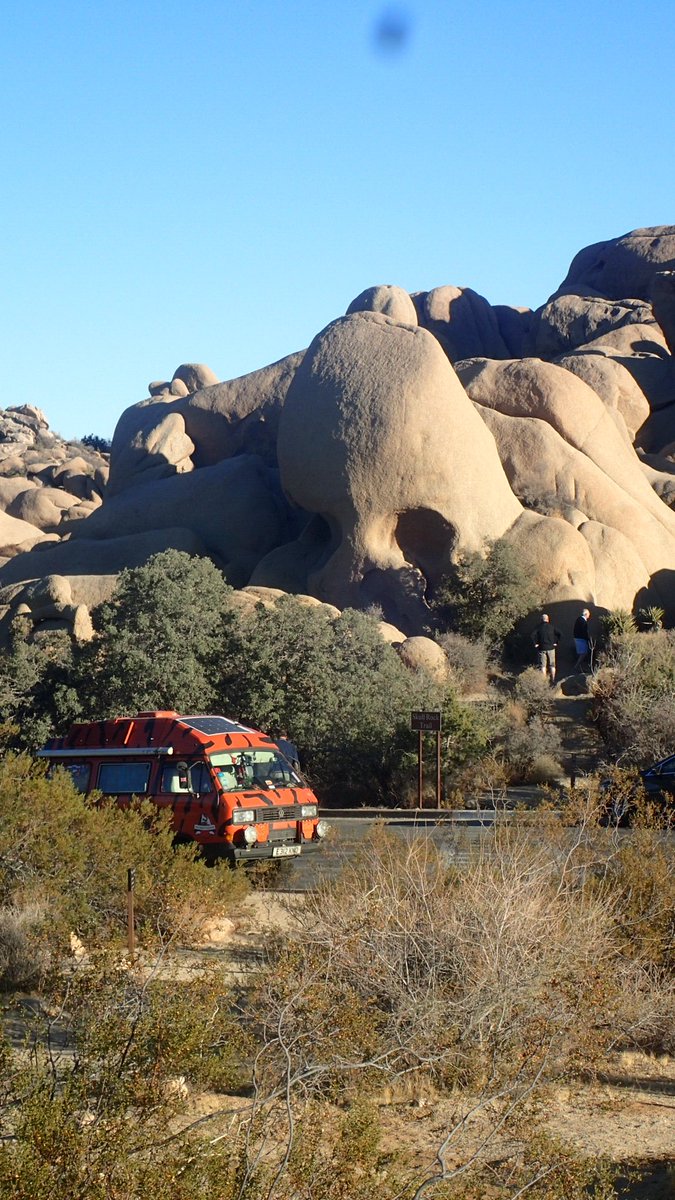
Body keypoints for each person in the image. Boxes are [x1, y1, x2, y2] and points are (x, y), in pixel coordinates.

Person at [531, 612, 562, 684]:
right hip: (551, 648)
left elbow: (532, 635)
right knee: (552, 664)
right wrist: (556, 642)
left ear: (541, 620)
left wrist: (535, 643)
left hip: (541, 648)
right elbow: (560, 634)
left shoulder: (538, 627)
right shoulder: (552, 627)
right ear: (548, 620)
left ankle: (544, 682)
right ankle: (553, 679)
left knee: (543, 666)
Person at [573, 607, 592, 672]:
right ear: (586, 614)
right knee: (583, 653)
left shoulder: (579, 620)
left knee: (582, 653)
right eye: (589, 614)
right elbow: (584, 631)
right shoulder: (582, 621)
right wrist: (587, 639)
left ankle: (580, 667)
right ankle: (577, 666)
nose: (589, 616)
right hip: (580, 639)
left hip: (578, 638)